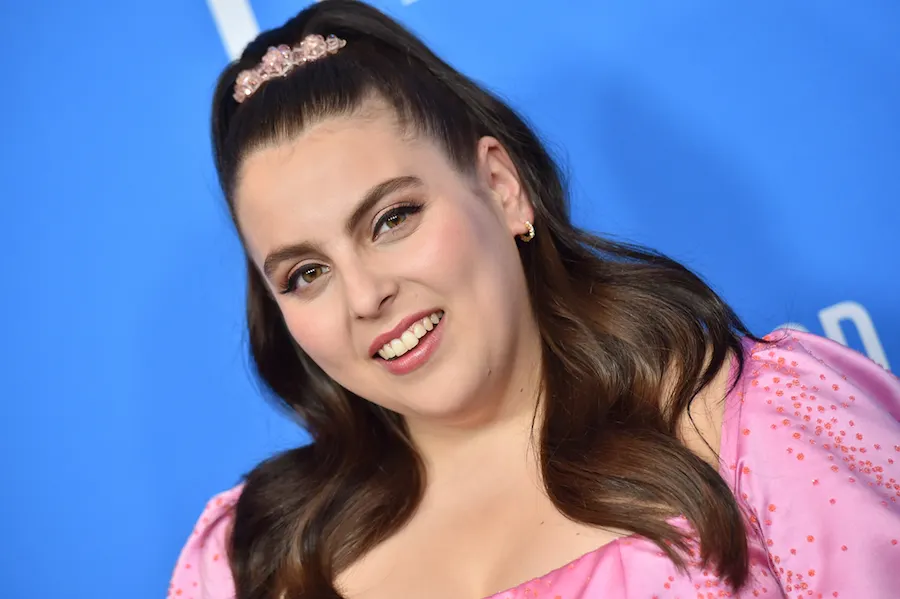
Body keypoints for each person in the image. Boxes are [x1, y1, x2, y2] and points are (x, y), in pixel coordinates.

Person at [168, 1, 900, 597]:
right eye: (306, 273)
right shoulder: (248, 561)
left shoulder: (759, 425)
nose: (364, 295)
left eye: (392, 219)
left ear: (501, 187)